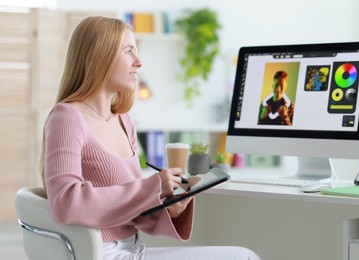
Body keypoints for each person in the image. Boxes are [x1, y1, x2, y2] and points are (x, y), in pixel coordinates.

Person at [40, 16, 260, 260]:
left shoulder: (124, 120)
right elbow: (65, 202)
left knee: (244, 254)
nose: (138, 62)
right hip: (99, 253)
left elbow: (124, 207)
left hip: (133, 248)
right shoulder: (67, 117)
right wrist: (153, 186)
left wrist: (166, 207)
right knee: (244, 257)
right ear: (100, 56)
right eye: (129, 51)